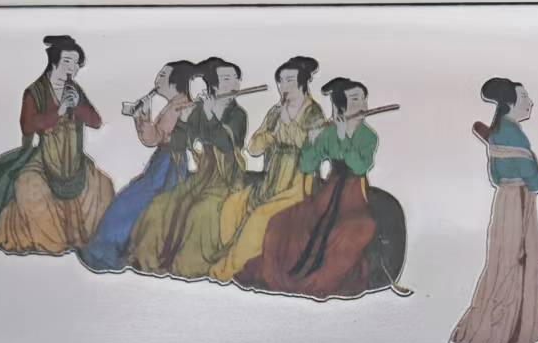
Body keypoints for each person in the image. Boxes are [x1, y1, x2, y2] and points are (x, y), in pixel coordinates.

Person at [0, 35, 114, 257]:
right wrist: (59, 111)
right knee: (27, 187)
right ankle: (47, 239)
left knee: (103, 187)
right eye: (67, 61)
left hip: (73, 161)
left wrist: (78, 106)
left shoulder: (75, 91)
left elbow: (96, 122)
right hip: (45, 159)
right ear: (54, 62)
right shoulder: (35, 91)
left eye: (76, 63)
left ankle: (82, 238)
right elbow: (27, 125)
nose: (72, 68)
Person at [243, 77, 403, 299]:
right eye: (355, 100)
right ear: (341, 106)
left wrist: (344, 137)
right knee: (281, 222)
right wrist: (313, 141)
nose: (362, 105)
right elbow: (307, 165)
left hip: (354, 195)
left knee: (353, 230)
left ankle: (320, 282)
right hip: (327, 194)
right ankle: (284, 276)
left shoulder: (368, 136)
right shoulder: (329, 132)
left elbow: (359, 166)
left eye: (363, 99)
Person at [126, 58, 249, 279]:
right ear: (213, 85)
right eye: (225, 79)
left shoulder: (238, 115)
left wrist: (210, 117)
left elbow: (226, 144)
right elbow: (180, 143)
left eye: (235, 79)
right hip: (202, 175)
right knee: (162, 205)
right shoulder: (200, 109)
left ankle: (190, 267)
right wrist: (183, 121)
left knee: (201, 211)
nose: (233, 84)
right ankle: (154, 260)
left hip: (226, 176)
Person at [450, 79, 538, 343]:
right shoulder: (514, 135)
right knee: (515, 257)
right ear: (510, 103)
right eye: (524, 97)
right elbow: (534, 179)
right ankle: (509, 327)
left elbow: (495, 175)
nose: (530, 102)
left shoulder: (499, 131)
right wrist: (532, 180)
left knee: (503, 255)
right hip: (519, 199)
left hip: (505, 199)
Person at [210, 56, 327, 284]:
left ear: (302, 82)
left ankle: (226, 269)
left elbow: (312, 149)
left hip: (298, 185)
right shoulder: (275, 112)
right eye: (281, 81)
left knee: (259, 218)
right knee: (232, 206)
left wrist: (288, 124)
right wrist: (272, 134)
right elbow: (253, 147)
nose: (284, 86)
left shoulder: (313, 113)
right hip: (271, 180)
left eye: (290, 80)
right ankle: (236, 262)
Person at [79, 59, 198, 273]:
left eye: (163, 75)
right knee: (130, 199)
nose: (157, 79)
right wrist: (142, 116)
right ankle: (106, 248)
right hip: (165, 163)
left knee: (129, 202)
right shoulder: (176, 104)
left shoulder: (178, 105)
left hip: (168, 168)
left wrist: (142, 116)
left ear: (175, 81)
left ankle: (106, 252)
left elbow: (153, 138)